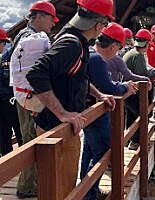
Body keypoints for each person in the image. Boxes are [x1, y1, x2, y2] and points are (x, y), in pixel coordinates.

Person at [26, 0, 116, 198]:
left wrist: (99, 95)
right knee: (62, 190)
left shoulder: (76, 40)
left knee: (64, 187)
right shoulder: (71, 44)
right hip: (57, 129)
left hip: (63, 127)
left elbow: (78, 78)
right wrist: (62, 113)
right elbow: (36, 74)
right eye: (105, 24)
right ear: (98, 25)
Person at [80, 22, 138, 200]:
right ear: (114, 45)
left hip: (86, 110)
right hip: (94, 111)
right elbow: (107, 86)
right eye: (118, 47)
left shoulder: (87, 53)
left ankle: (87, 190)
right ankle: (88, 195)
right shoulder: (97, 58)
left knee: (90, 150)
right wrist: (125, 87)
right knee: (104, 152)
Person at [8, 1, 58, 198]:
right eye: (51, 19)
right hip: (30, 97)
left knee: (28, 138)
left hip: (22, 96)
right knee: (31, 139)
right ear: (39, 17)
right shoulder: (33, 39)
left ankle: (30, 184)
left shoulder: (22, 35)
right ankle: (27, 187)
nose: (53, 24)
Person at [123, 29, 155, 150]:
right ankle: (136, 142)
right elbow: (142, 73)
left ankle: (129, 140)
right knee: (142, 115)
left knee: (131, 117)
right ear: (147, 44)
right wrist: (153, 73)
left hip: (128, 92)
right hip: (135, 92)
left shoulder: (133, 52)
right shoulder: (138, 55)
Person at [0, 28, 22, 157]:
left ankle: (7, 167)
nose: (4, 45)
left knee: (4, 135)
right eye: (3, 42)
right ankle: (22, 165)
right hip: (9, 100)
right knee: (19, 132)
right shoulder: (6, 58)